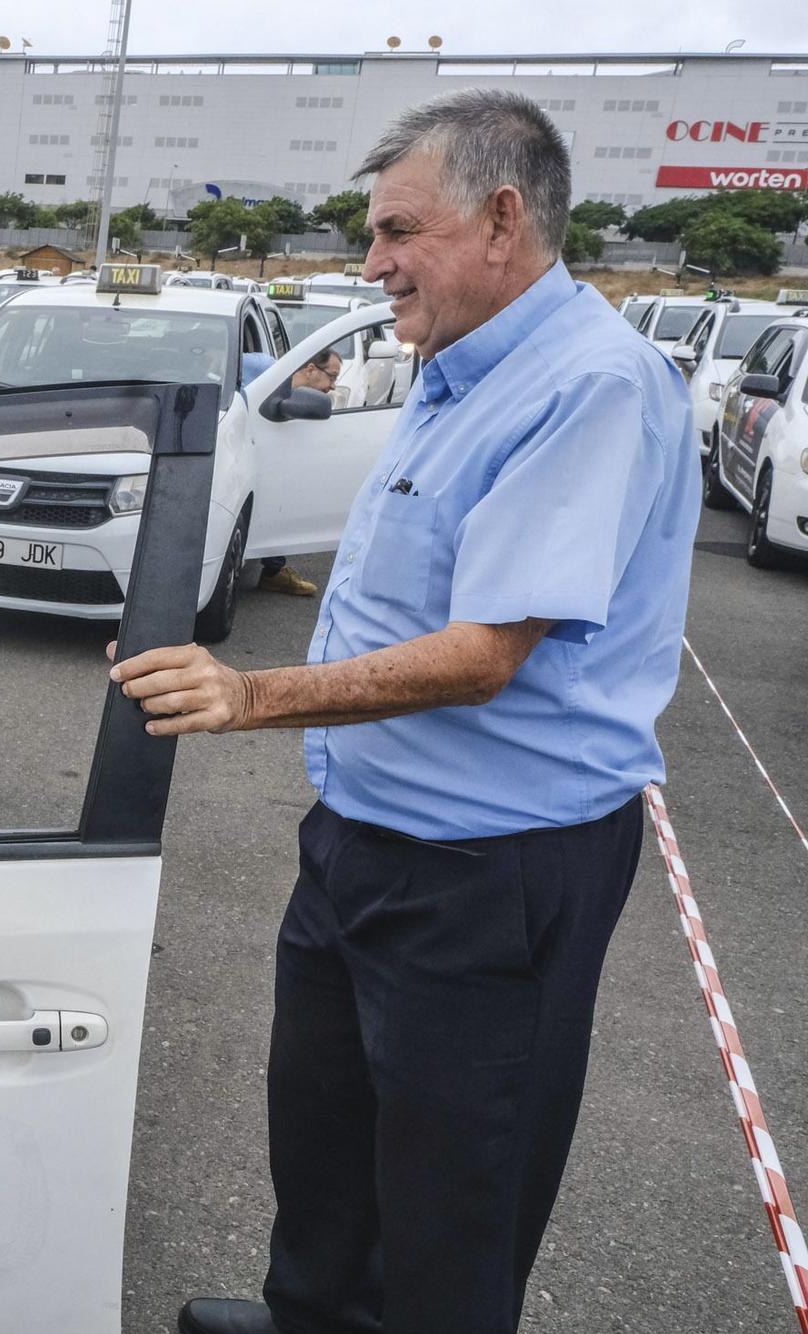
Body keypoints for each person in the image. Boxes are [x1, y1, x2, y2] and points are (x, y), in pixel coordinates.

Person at [111, 88, 699, 1334]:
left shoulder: (588, 383)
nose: (368, 262)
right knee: (323, 1153)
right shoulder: (453, 365)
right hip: (361, 845)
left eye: (393, 231)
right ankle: (315, 1312)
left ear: (499, 219)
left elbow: (486, 652)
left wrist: (249, 691)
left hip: (486, 875)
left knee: (451, 1207)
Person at [256, 349, 344, 597]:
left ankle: (274, 571)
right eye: (332, 377)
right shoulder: (264, 370)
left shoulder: (301, 399)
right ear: (310, 369)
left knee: (283, 499)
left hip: (272, 465)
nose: (333, 386)